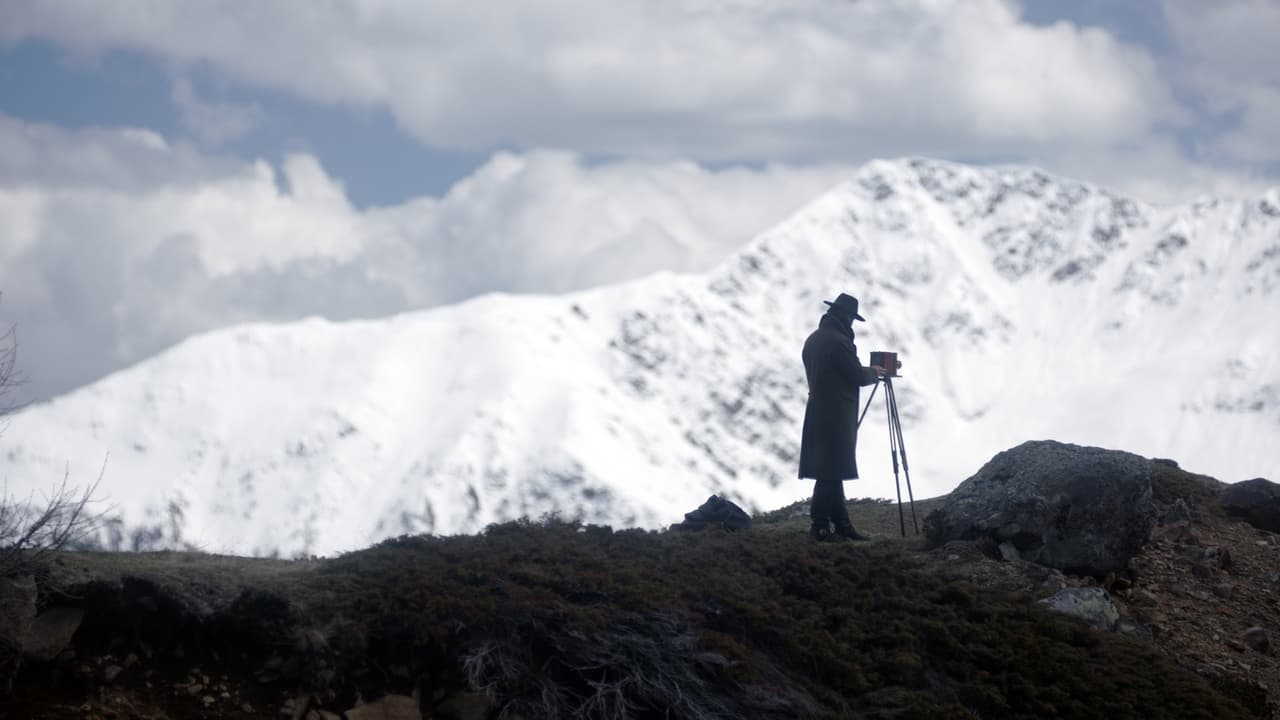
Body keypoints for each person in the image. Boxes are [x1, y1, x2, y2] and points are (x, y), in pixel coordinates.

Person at [798, 293, 887, 542]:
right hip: (836, 414)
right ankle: (820, 526)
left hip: (818, 411)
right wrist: (873, 372)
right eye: (851, 318)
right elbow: (855, 375)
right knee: (829, 471)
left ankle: (842, 524)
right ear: (847, 317)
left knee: (832, 468)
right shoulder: (839, 342)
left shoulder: (813, 339)